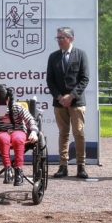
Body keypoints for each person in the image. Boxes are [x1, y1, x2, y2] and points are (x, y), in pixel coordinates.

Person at [46, 26, 90, 179]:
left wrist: (71, 96)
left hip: (77, 102)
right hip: (60, 103)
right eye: (57, 38)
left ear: (71, 39)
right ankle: (63, 166)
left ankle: (81, 166)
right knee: (63, 133)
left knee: (78, 133)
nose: (59, 40)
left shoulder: (81, 55)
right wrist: (60, 97)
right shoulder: (53, 57)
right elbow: (50, 80)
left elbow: (85, 79)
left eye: (61, 38)